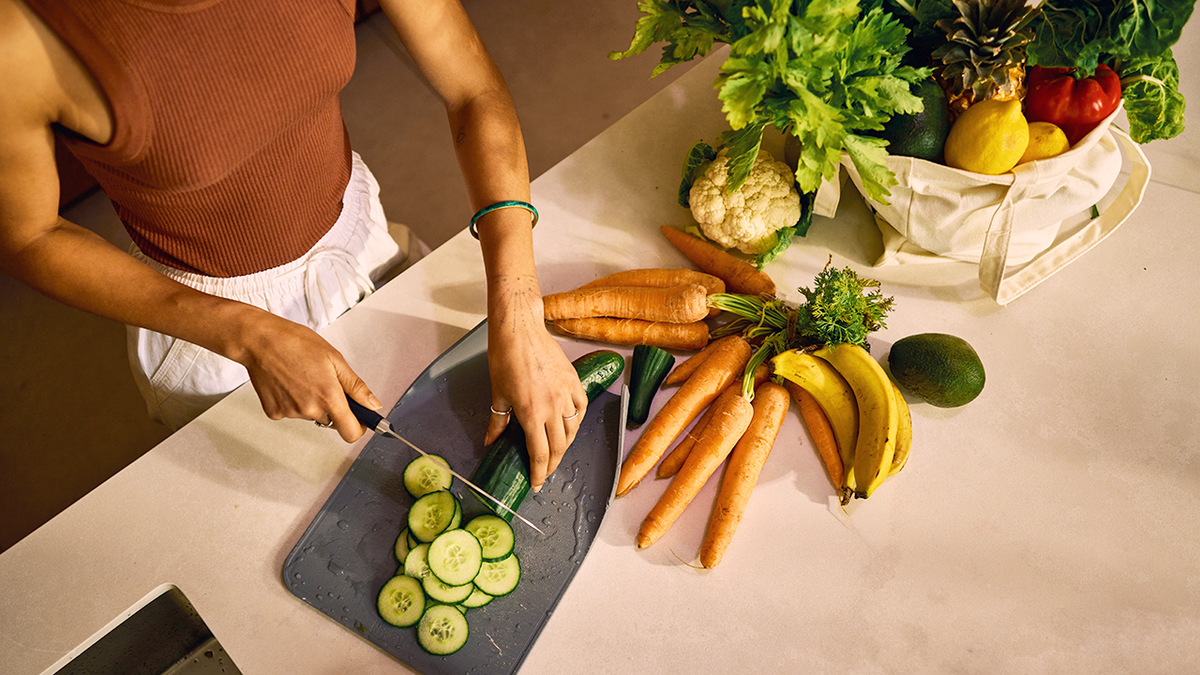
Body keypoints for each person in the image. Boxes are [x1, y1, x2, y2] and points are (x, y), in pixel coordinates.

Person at [0, 0, 587, 492]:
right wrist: (248, 334)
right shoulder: (21, 37)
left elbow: (472, 87)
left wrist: (518, 306)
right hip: (207, 327)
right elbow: (28, 235)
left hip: (361, 242)